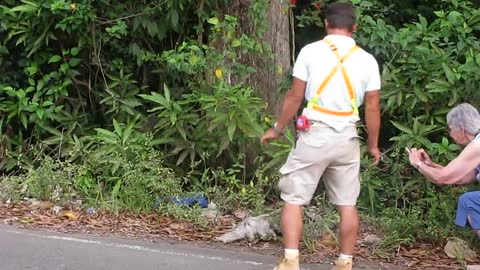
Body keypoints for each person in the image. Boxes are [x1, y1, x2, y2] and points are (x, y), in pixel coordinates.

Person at [260, 2, 381, 270]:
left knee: (294, 198)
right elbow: (372, 106)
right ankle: (345, 262)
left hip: (315, 133)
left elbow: (294, 96)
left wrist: (277, 128)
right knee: (347, 203)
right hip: (348, 137)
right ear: (355, 27)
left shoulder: (311, 52)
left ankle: (291, 260)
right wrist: (373, 146)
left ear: (326, 24)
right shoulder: (368, 60)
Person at [406, 103, 480, 237]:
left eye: (451, 129)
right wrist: (429, 165)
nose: (450, 134)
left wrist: (417, 163)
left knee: (469, 203)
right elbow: (464, 177)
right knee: (468, 201)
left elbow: (442, 177)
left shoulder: (477, 146)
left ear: (462, 128)